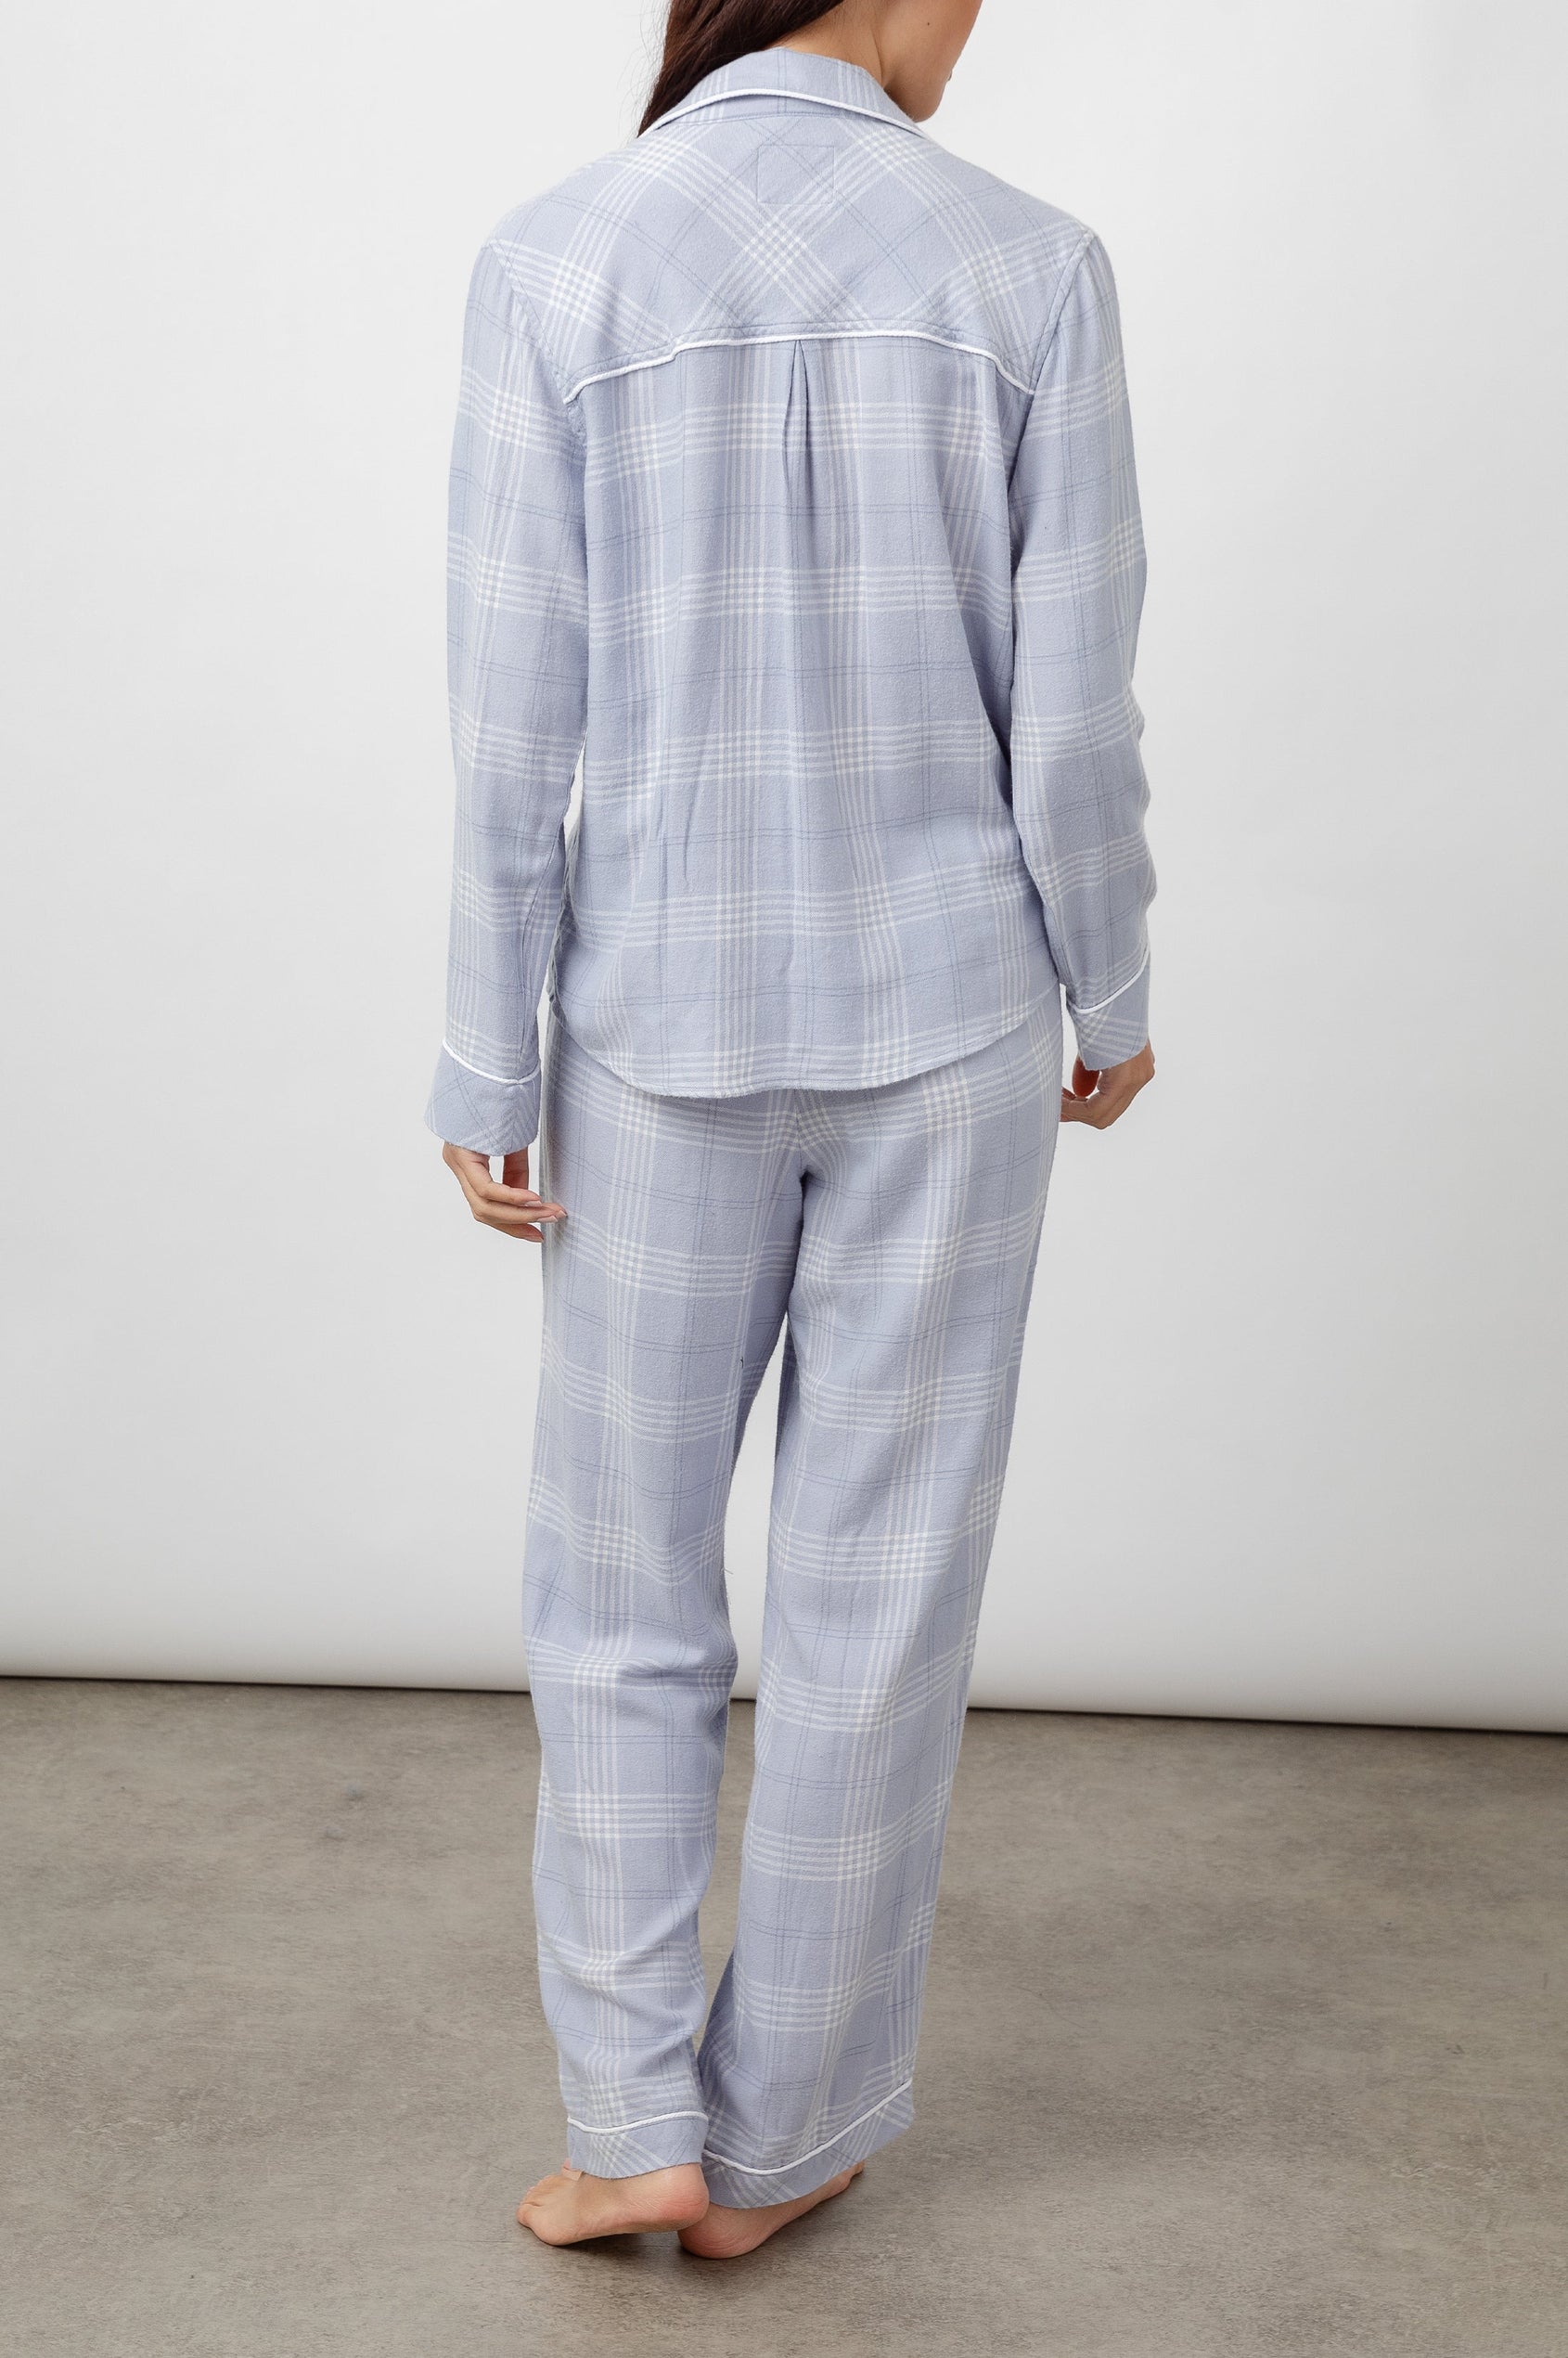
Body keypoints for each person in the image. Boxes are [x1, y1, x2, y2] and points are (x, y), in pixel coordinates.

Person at [424, 0, 1156, 2257]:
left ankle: (630, 2115)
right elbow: (1071, 704)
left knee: (617, 1587)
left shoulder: (557, 257)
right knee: (877, 1585)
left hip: (649, 1025)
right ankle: (781, 2137)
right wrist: (1109, 977)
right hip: (949, 1020)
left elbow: (509, 707)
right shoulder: (1026, 265)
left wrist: (483, 1053)